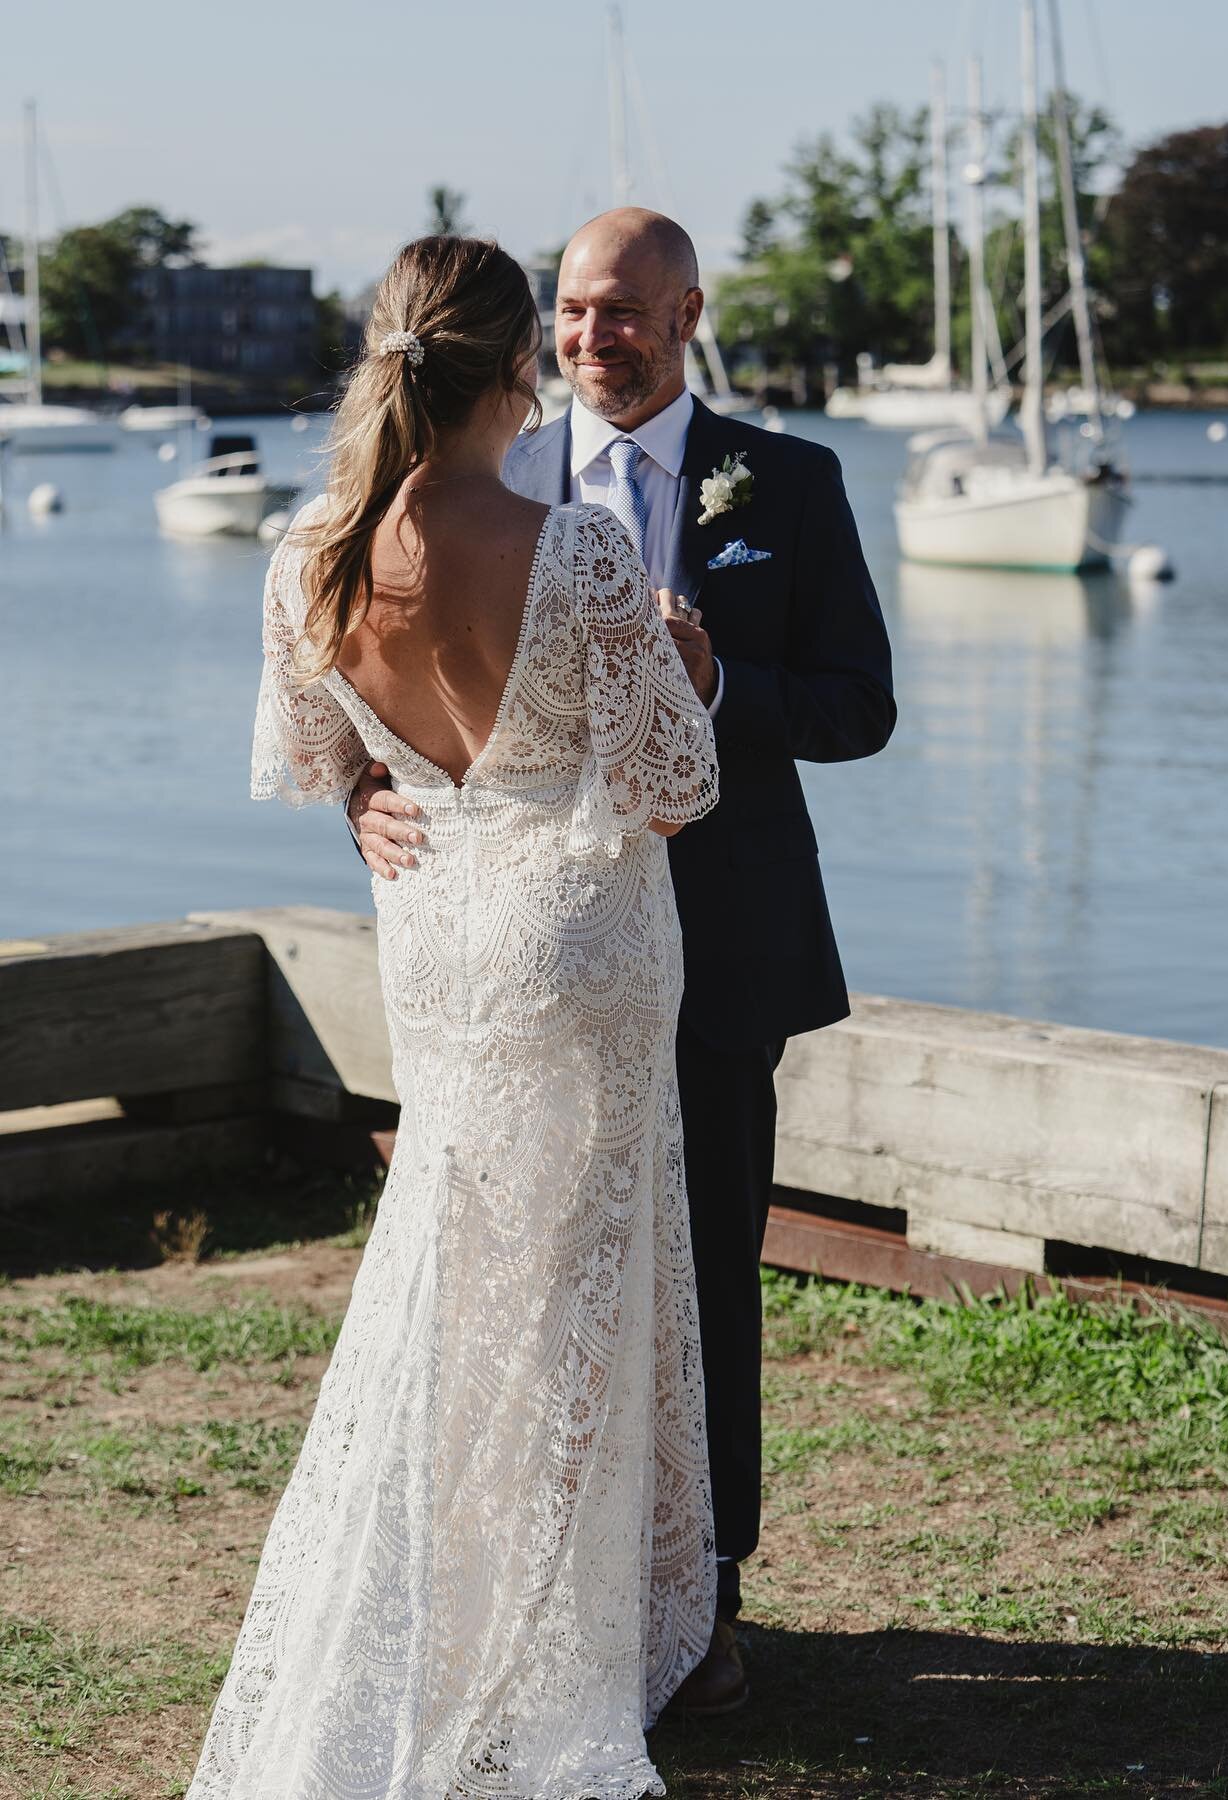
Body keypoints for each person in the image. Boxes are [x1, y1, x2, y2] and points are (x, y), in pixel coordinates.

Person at [187, 235, 720, 1799]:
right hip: (580, 945)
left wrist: (378, 778)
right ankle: (540, 1659)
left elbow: (314, 760)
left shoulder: (306, 554)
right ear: (522, 372)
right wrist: (682, 667)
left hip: (438, 949)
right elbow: (672, 791)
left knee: (460, 1276)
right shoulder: (577, 552)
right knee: (574, 1300)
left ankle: (454, 1622)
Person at [352, 208, 896, 1713]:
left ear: (690, 313)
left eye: (631, 313)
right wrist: (360, 795)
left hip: (717, 955)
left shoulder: (791, 479)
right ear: (541, 339)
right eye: (578, 315)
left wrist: (726, 682)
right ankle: (550, 1586)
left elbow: (860, 706)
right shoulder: (492, 474)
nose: (602, 339)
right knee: (532, 1284)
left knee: (704, 1274)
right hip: (534, 963)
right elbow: (375, 673)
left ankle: (704, 1600)